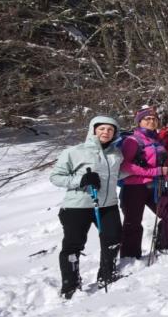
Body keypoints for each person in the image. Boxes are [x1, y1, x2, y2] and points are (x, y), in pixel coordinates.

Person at [49, 116, 124, 297]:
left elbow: (118, 175)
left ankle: (107, 274)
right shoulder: (74, 152)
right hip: (78, 206)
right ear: (93, 130)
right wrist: (81, 180)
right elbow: (56, 177)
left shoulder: (116, 154)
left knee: (113, 239)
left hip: (108, 204)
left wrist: (147, 168)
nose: (105, 132)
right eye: (101, 129)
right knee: (73, 245)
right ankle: (71, 284)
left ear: (115, 133)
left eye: (110, 130)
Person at [118, 107, 168, 258]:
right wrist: (154, 172)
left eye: (154, 119)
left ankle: (164, 244)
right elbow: (125, 165)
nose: (151, 121)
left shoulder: (157, 139)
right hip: (135, 187)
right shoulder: (132, 141)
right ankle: (130, 257)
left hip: (156, 185)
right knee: (133, 222)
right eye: (147, 119)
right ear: (139, 122)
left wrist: (166, 171)